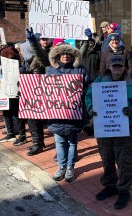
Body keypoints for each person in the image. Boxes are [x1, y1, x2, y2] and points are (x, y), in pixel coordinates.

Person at [85, 55, 132, 210]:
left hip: (124, 130)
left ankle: (124, 190)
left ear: (124, 67)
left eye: (120, 65)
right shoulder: (99, 82)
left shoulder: (131, 85)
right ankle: (110, 185)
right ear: (109, 67)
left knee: (125, 161)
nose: (117, 68)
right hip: (104, 129)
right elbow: (89, 96)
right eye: (114, 66)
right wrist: (91, 108)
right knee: (107, 159)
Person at [47, 43, 89, 182]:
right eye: (62, 54)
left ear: (73, 56)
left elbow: (88, 88)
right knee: (59, 142)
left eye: (68, 54)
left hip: (73, 114)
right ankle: (61, 167)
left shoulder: (80, 70)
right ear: (57, 56)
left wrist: (83, 88)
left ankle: (70, 167)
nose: (65, 56)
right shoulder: (50, 70)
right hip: (56, 115)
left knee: (72, 142)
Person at [25, 28, 53, 156]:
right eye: (42, 38)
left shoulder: (53, 52)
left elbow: (42, 58)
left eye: (46, 38)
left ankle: (62, 149)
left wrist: (33, 43)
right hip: (36, 88)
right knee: (32, 117)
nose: (45, 40)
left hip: (50, 88)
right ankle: (37, 143)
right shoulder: (35, 55)